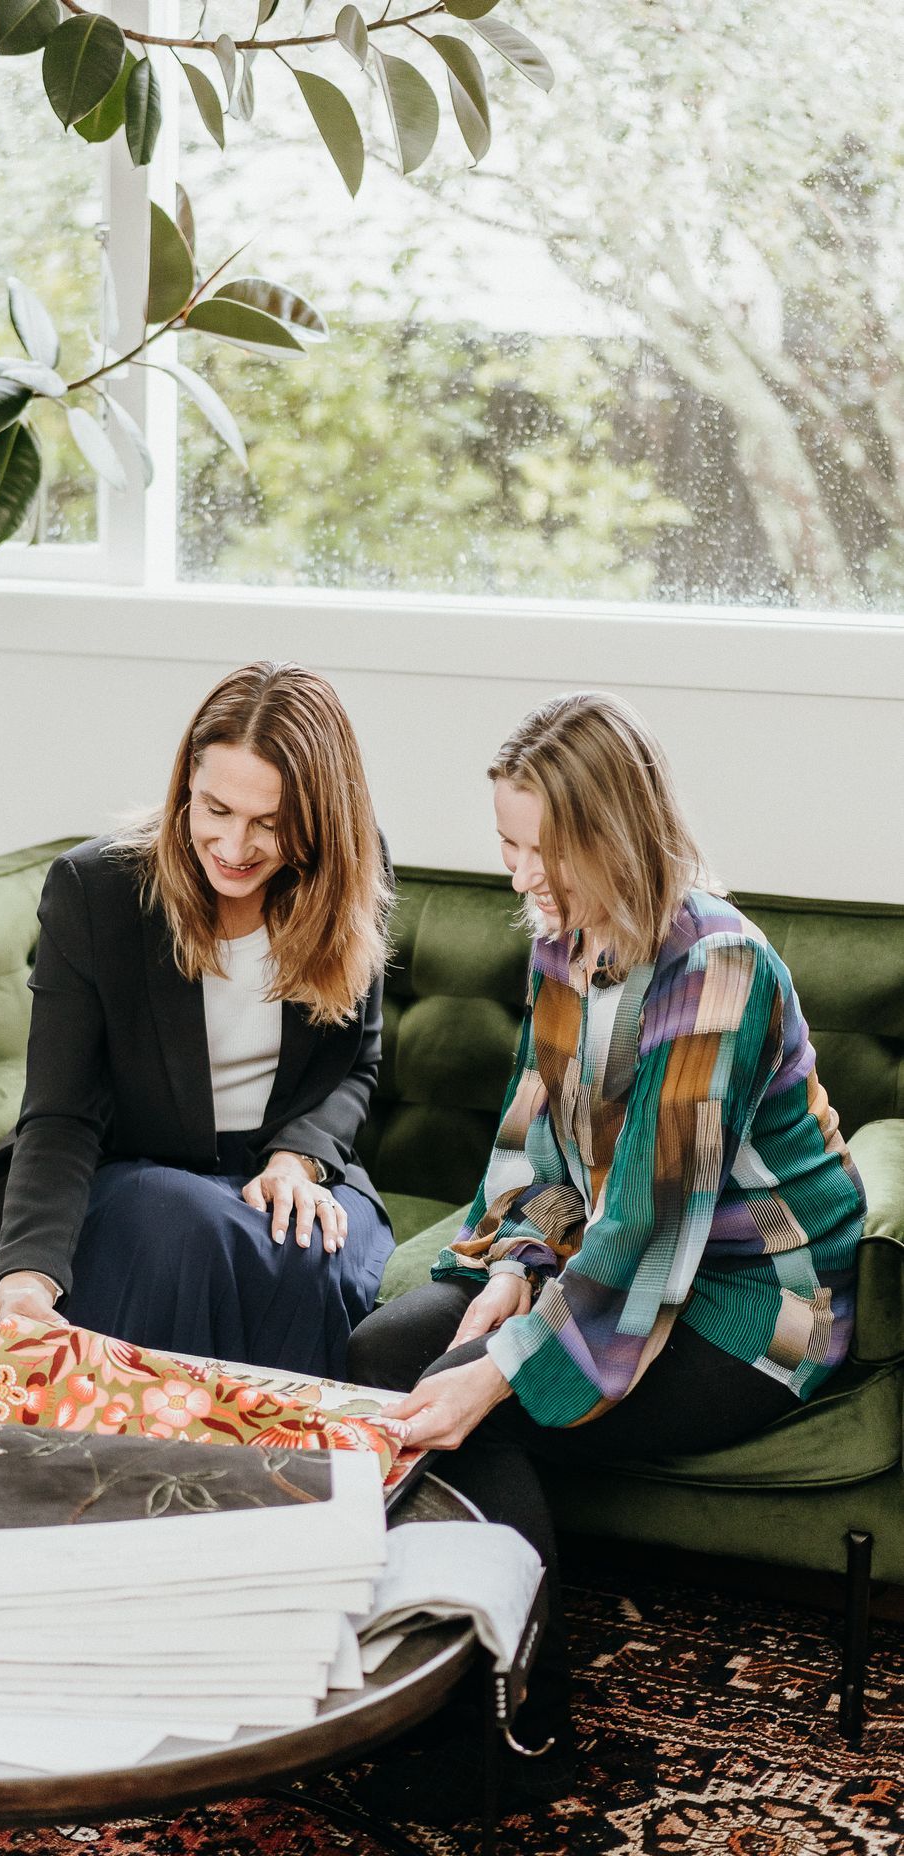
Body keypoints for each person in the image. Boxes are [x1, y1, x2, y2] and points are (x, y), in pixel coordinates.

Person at [347, 690, 865, 1785]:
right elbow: (542, 1152)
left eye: (547, 850)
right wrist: (509, 1277)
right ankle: (423, 1674)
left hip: (757, 1299)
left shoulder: (719, 966)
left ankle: (520, 1723)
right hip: (616, 1260)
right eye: (507, 844)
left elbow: (648, 1217)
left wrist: (500, 1365)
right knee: (386, 1354)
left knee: (479, 1409)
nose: (523, 875)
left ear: (615, 833)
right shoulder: (561, 946)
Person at [0, 660, 396, 1379]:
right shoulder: (97, 890)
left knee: (313, 1258)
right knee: (180, 1220)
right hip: (122, 1180)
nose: (235, 847)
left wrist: (298, 1160)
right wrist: (29, 1271)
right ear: (187, 781)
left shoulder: (352, 874)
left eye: (271, 825)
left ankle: (281, 1480)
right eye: (215, 810)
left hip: (272, 1173)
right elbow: (61, 1112)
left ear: (318, 821)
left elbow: (356, 1065)